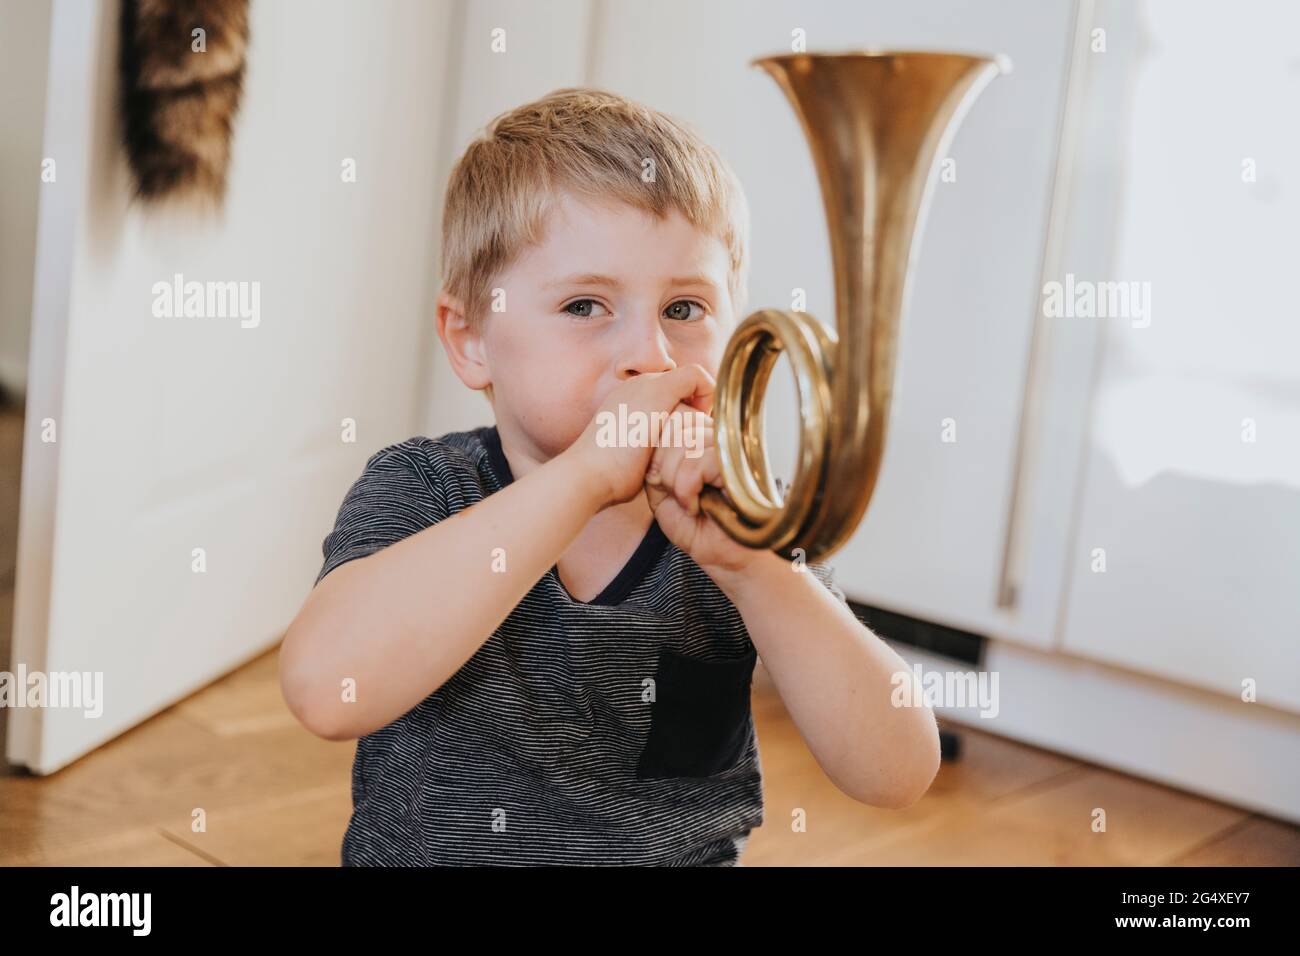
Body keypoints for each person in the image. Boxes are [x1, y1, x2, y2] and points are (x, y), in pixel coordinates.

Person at [279, 88, 940, 866]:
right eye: (587, 305)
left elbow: (898, 772)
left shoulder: (740, 517)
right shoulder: (425, 486)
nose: (651, 356)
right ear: (471, 342)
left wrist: (754, 571)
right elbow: (328, 690)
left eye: (686, 308)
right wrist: (585, 477)